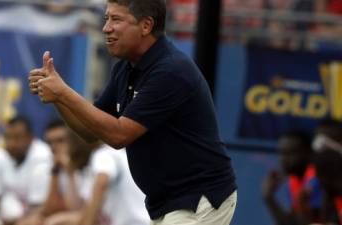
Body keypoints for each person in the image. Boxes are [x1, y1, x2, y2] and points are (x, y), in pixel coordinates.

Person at [28, 0, 237, 224]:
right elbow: (90, 133)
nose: (106, 27)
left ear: (146, 26)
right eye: (107, 18)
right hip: (170, 201)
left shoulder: (170, 71)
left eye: (116, 19)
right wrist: (58, 97)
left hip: (200, 199)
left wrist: (63, 93)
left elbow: (119, 136)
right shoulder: (126, 68)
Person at [18, 119, 149, 225]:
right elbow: (77, 209)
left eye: (67, 141)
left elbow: (102, 182)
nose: (62, 147)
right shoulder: (87, 168)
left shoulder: (105, 153)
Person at [0, 115, 53, 224]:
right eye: (8, 138)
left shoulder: (42, 159)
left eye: (17, 138)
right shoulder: (7, 156)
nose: (11, 144)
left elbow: (39, 210)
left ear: (30, 138)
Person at [262, 131, 322, 225]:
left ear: (308, 153)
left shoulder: (318, 177)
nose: (283, 158)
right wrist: (268, 197)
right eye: (281, 153)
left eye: (290, 153)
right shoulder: (294, 179)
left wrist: (301, 205)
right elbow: (288, 222)